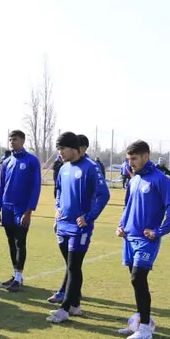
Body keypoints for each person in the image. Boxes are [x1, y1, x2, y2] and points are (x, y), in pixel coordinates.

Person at [116, 141, 170, 339]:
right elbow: (128, 206)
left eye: (134, 158)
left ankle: (145, 328)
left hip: (146, 240)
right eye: (129, 159)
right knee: (135, 281)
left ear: (146, 156)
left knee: (138, 278)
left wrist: (159, 231)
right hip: (129, 238)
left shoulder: (160, 179)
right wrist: (121, 226)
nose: (131, 163)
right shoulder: (134, 179)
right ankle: (139, 323)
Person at [47, 132, 111, 323]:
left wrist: (89, 217)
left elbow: (104, 195)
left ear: (74, 148)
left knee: (74, 266)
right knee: (71, 266)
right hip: (63, 225)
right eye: (58, 149)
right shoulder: (63, 169)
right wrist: (57, 209)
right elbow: (58, 191)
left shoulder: (91, 167)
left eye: (62, 148)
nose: (60, 153)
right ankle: (75, 305)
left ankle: (64, 309)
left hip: (79, 228)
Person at [0, 130, 42, 292]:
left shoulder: (31, 161)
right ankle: (16, 275)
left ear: (22, 141)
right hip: (7, 208)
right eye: (10, 140)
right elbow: (1, 186)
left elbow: (35, 187)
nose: (12, 142)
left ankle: (19, 277)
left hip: (22, 209)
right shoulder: (7, 161)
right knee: (11, 242)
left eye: (15, 139)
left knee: (20, 242)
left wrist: (29, 211)